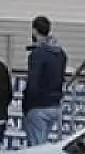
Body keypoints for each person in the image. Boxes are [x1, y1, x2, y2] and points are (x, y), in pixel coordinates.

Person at [23, 16, 67, 147]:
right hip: (55, 105)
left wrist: (26, 106)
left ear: (34, 31)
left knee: (35, 149)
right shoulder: (60, 53)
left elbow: (33, 83)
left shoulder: (37, 54)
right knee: (42, 144)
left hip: (38, 106)